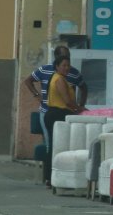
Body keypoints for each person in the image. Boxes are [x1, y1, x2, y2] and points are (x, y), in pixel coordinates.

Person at [25, 46, 87, 183]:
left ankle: (56, 176)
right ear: (56, 63)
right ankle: (49, 176)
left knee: (59, 145)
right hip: (53, 113)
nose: (67, 66)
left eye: (68, 63)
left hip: (62, 113)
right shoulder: (56, 77)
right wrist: (80, 109)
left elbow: (83, 87)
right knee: (52, 145)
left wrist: (80, 105)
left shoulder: (68, 74)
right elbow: (67, 101)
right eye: (63, 63)